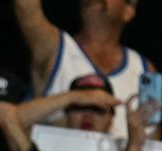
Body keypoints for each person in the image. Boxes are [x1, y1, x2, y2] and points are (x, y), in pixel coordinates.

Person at [13, 0, 150, 138]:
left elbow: (154, 149)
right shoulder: (55, 47)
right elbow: (25, 7)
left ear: (128, 11)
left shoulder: (144, 70)